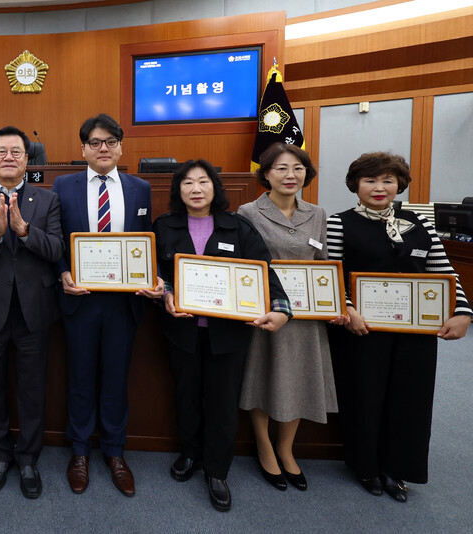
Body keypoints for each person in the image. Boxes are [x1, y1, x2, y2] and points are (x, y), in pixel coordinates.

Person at [326, 152, 471, 502]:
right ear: (355, 185)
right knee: (364, 395)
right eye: (370, 180)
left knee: (411, 399)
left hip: (416, 330)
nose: (379, 187)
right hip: (361, 330)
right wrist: (347, 307)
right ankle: (365, 467)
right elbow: (332, 273)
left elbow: (444, 271)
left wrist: (464, 312)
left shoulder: (419, 222)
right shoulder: (338, 222)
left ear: (399, 184)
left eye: (388, 180)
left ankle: (396, 468)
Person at [153, 159, 292, 512]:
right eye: (187, 183)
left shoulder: (238, 227)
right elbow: (156, 273)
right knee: (185, 396)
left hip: (227, 336)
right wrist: (166, 293)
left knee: (222, 403)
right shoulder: (164, 226)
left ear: (215, 188)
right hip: (181, 331)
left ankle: (217, 470)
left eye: (203, 182)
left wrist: (281, 308)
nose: (195, 189)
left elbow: (264, 272)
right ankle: (190, 454)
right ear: (178, 190)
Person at [51, 114, 163, 497]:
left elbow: (146, 240)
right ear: (82, 148)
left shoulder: (140, 188)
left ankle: (115, 451)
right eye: (95, 142)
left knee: (116, 378)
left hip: (123, 301)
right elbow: (57, 240)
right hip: (79, 300)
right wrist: (63, 272)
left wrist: (153, 277)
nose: (103, 148)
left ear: (121, 147)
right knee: (80, 377)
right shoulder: (62, 186)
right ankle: (80, 451)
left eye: (110, 141)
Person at [0, 126, 64, 499]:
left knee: (32, 388)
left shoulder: (47, 200)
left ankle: (28, 458)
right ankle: (0, 455)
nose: (8, 157)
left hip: (34, 310)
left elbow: (55, 250)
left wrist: (22, 230)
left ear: (27, 160)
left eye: (15, 151)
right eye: (0, 151)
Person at [238, 143, 346, 492]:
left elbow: (326, 265)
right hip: (267, 311)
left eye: (298, 168)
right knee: (262, 378)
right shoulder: (248, 212)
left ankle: (286, 449)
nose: (290, 175)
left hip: (307, 315)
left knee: (298, 379)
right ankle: (264, 444)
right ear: (266, 173)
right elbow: (247, 264)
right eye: (281, 168)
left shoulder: (318, 214)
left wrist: (335, 304)